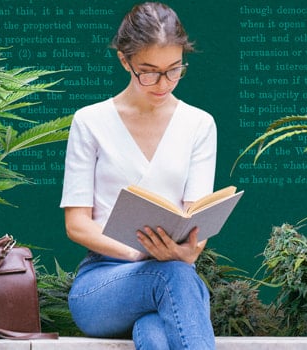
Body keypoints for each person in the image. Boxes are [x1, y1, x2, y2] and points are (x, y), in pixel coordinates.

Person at [59, 2, 217, 349]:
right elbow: (76, 224)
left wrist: (189, 251)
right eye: (149, 71)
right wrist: (140, 254)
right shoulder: (90, 121)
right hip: (103, 282)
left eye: (174, 70)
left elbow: (198, 220)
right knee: (173, 276)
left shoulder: (199, 124)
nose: (163, 83)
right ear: (124, 60)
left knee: (154, 331)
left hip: (175, 278)